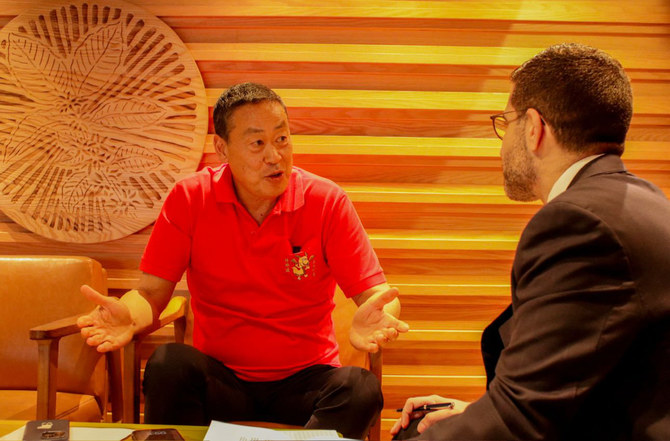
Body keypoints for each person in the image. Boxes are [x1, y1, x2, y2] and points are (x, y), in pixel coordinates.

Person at [77, 82, 409, 440]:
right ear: (222, 148)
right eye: (257, 143)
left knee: (360, 387)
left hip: (306, 380)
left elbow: (378, 296)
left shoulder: (326, 201)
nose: (274, 156)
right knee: (168, 365)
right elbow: (151, 294)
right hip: (222, 378)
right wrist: (131, 315)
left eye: (282, 139)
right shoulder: (191, 198)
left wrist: (381, 318)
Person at [392, 43, 670, 440]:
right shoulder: (644, 199)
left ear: (535, 128)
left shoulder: (576, 222)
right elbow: (577, 380)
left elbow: (522, 419)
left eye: (506, 123)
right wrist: (477, 412)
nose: (503, 142)